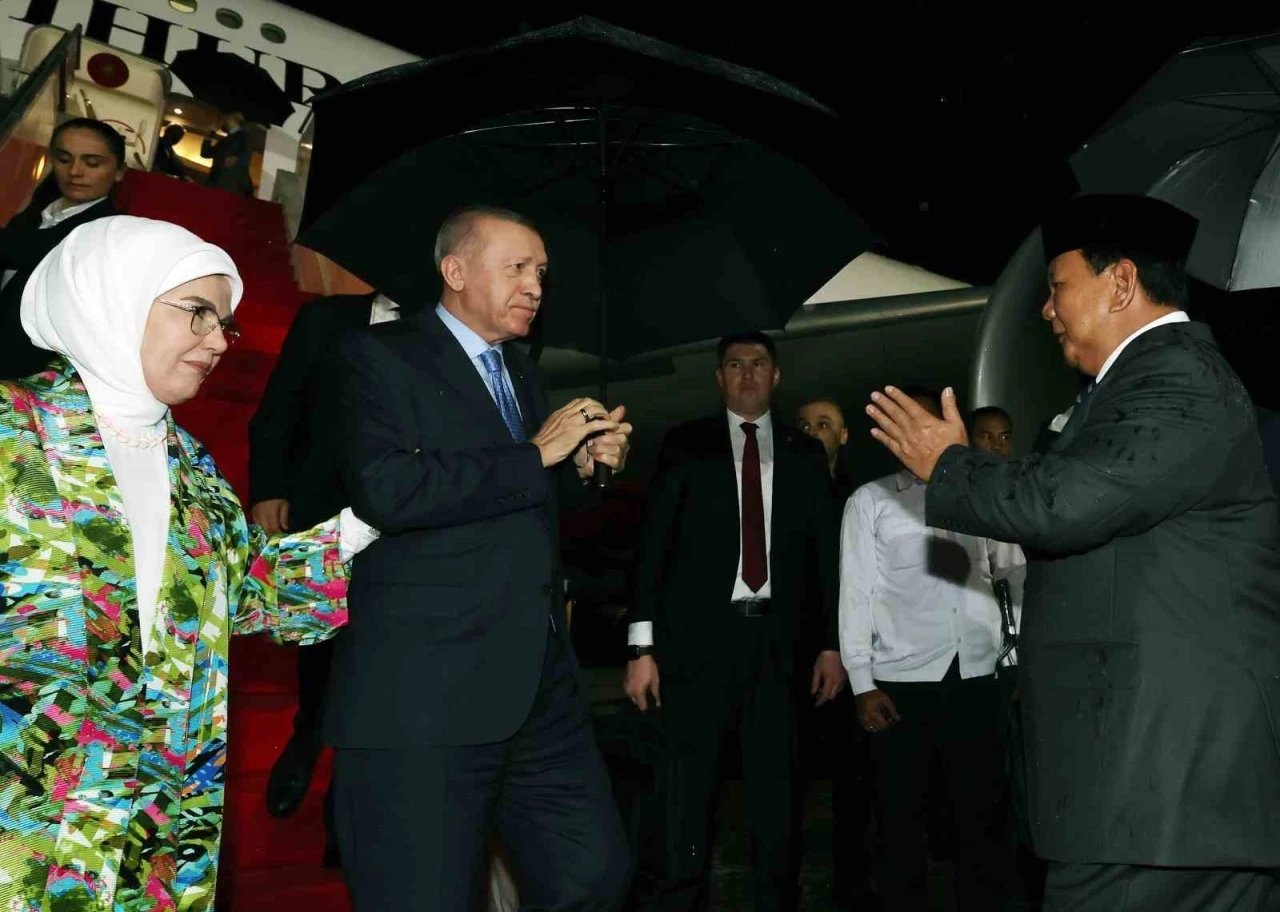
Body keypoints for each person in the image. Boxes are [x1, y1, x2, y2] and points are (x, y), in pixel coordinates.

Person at [865, 194, 1280, 910]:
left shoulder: (1177, 378)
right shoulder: (1136, 383)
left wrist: (952, 464)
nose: (1047, 309)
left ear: (1120, 283)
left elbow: (1064, 503)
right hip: (1149, 799)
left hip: (1164, 793)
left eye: (1057, 287)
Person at [0, 216, 363, 910]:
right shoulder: (12, 431)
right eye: (196, 312)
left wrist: (362, 527)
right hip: (28, 817)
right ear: (113, 298)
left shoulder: (190, 465)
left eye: (223, 323)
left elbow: (250, 592)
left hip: (156, 822)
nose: (218, 341)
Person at [328, 205, 633, 911]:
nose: (535, 286)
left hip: (537, 690)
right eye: (517, 268)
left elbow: (523, 508)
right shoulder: (376, 354)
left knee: (594, 876)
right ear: (456, 270)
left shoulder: (521, 373)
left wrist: (581, 469)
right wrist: (537, 455)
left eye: (542, 273)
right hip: (426, 696)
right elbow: (387, 490)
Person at [626, 333, 845, 912]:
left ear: (777, 376)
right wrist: (641, 649)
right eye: (735, 365)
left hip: (779, 648)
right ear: (719, 377)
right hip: (695, 649)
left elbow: (825, 556)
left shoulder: (803, 453)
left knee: (778, 796)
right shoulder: (684, 445)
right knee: (686, 795)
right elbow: (652, 549)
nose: (748, 374)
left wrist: (831, 645)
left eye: (759, 364)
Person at [841, 389, 1019, 912]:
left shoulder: (977, 491)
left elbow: (1012, 576)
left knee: (982, 821)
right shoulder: (870, 501)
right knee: (901, 824)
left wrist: (1017, 663)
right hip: (902, 685)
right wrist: (862, 683)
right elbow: (856, 595)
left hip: (979, 676)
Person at [795, 397, 876, 907]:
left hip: (851, 653)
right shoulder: (778, 492)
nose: (812, 433)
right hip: (793, 653)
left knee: (854, 779)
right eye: (804, 425)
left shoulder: (860, 497)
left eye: (823, 424)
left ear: (843, 436)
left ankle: (853, 885)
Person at [1, 117, 123, 378]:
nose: (75, 172)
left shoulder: (106, 231)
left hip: (24, 369)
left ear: (119, 171)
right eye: (64, 159)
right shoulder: (34, 213)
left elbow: (23, 251)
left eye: (92, 163)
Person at [201, 112, 253, 196]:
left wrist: (237, 159)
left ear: (231, 119)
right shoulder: (224, 140)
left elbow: (247, 156)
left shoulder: (246, 136)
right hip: (215, 184)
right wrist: (209, 135)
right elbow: (205, 153)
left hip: (231, 187)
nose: (222, 122)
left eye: (224, 118)